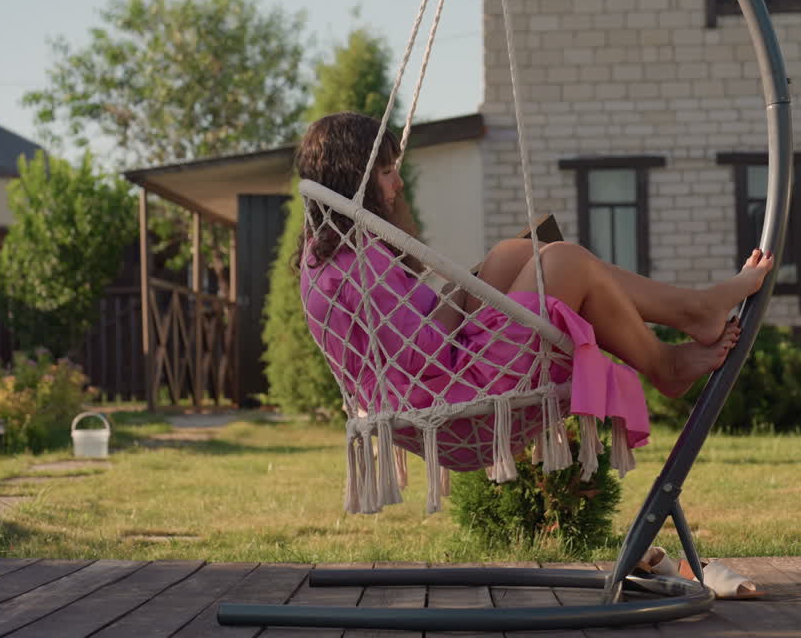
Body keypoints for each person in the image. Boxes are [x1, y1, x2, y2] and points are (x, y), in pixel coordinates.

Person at [296, 112, 772, 469]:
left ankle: (691, 314)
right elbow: (424, 356)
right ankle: (668, 355)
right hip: (450, 398)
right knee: (562, 261)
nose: (398, 183)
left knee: (509, 254)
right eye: (386, 172)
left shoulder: (333, 255)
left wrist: (465, 288)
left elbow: (411, 341)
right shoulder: (359, 264)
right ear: (355, 179)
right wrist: (461, 293)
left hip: (439, 383)